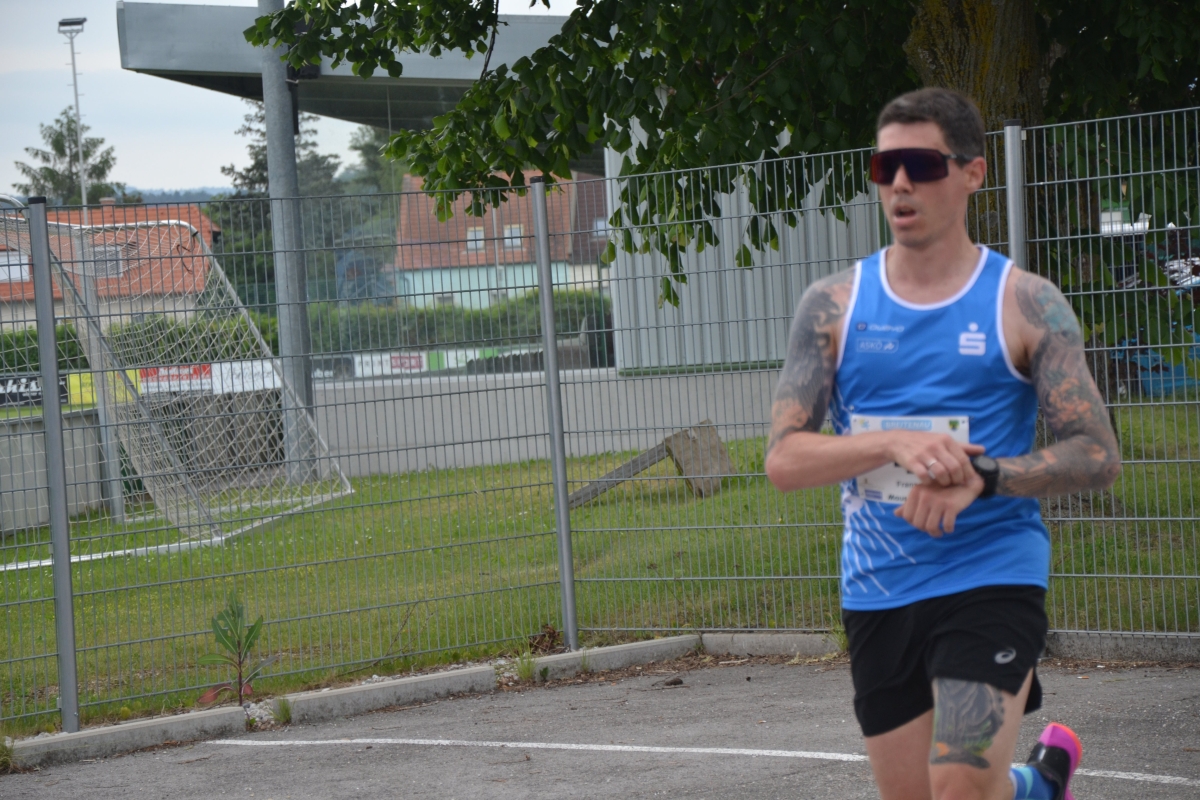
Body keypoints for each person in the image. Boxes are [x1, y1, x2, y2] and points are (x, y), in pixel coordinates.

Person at [765, 87, 1121, 800]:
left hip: (991, 573)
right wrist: (891, 442)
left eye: (923, 164)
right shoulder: (833, 306)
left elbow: (1096, 453)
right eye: (885, 166)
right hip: (880, 586)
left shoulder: (1025, 302)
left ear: (972, 173)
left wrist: (985, 477)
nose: (900, 183)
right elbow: (783, 459)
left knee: (957, 786)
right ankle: (1037, 785)